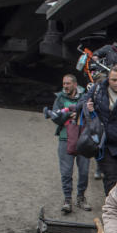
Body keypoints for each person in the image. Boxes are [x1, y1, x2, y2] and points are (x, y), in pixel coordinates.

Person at [78, 65, 117, 195]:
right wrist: (87, 109)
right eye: (114, 80)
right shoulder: (97, 90)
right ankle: (111, 211)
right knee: (111, 177)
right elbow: (82, 102)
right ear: (108, 79)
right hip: (105, 143)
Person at [51, 74, 91, 213]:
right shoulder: (60, 98)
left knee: (84, 171)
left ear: (75, 84)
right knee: (66, 172)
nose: (65, 86)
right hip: (65, 138)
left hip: (83, 139)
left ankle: (80, 197)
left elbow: (92, 114)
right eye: (64, 84)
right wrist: (69, 114)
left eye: (68, 83)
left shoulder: (85, 96)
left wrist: (79, 113)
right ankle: (67, 199)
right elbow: (55, 117)